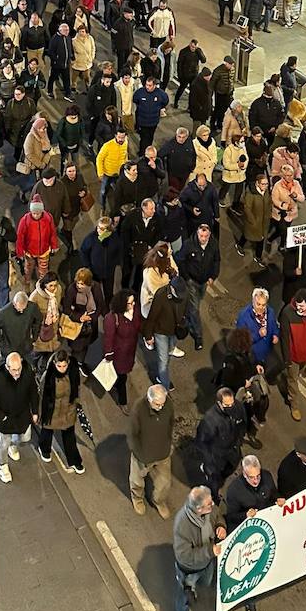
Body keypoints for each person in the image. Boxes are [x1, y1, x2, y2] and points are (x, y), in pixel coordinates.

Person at [173, 485, 227, 611]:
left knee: (206, 582)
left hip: (206, 562)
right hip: (189, 569)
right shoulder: (182, 525)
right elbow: (184, 556)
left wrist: (221, 526)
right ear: (198, 509)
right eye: (209, 504)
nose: (213, 505)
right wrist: (210, 551)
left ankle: (196, 590)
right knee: (184, 595)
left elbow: (218, 516)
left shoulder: (209, 509)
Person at [0, 351, 39, 483]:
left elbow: (33, 391)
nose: (17, 373)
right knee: (3, 443)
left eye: (19, 369)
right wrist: (1, 416)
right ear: (7, 367)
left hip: (22, 415)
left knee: (25, 438)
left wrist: (35, 411)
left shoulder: (27, 373)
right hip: (6, 419)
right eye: (13, 370)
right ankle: (2, 465)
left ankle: (13, 445)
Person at [128, 383, 175, 518]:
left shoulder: (168, 404)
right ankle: (137, 498)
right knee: (137, 480)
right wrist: (139, 453)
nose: (161, 407)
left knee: (164, 482)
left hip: (163, 452)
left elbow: (171, 423)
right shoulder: (138, 410)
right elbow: (132, 434)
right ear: (149, 399)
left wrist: (168, 443)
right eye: (157, 404)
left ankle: (159, 501)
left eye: (162, 404)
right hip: (144, 455)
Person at [36, 348, 85, 473]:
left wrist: (76, 404)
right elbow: (42, 397)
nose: (62, 369)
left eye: (64, 366)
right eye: (59, 366)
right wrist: (40, 414)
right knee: (47, 432)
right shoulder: (48, 377)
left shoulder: (73, 373)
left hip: (68, 410)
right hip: (51, 411)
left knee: (69, 437)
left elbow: (77, 390)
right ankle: (44, 449)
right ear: (54, 364)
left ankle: (74, 461)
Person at [195, 387, 245, 503]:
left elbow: (242, 424)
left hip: (232, 451)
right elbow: (201, 443)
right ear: (219, 403)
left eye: (232, 404)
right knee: (214, 480)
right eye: (227, 405)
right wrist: (209, 461)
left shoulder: (237, 407)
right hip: (216, 458)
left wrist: (239, 441)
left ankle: (219, 481)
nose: (231, 407)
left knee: (228, 470)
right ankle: (213, 495)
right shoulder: (210, 420)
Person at [278, 290, 306, 422]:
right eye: (297, 306)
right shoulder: (287, 313)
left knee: (300, 371)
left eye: (302, 306)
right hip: (294, 355)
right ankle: (294, 405)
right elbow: (285, 338)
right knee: (293, 380)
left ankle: (302, 370)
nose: (299, 309)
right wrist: (287, 359)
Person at [179, 221, 220, 353]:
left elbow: (216, 260)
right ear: (197, 233)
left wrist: (213, 276)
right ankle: (198, 335)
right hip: (192, 281)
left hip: (204, 282)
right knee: (195, 309)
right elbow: (181, 260)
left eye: (205, 236)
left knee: (196, 302)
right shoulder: (189, 244)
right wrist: (187, 278)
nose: (203, 239)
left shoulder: (213, 244)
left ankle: (185, 314)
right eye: (201, 236)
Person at [103, 289, 142, 410]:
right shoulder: (112, 318)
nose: (133, 305)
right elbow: (108, 338)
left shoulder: (135, 311)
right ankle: (122, 401)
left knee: (121, 375)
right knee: (122, 377)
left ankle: (115, 384)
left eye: (133, 302)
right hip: (118, 354)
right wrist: (108, 354)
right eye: (130, 303)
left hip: (130, 351)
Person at [223, 454, 283, 534]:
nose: (256, 481)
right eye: (251, 477)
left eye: (258, 476)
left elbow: (274, 494)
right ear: (244, 474)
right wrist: (246, 515)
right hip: (250, 526)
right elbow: (231, 517)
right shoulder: (234, 490)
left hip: (268, 517)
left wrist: (278, 499)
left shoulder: (266, 476)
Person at [235, 287, 281, 380]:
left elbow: (275, 325)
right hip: (252, 357)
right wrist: (258, 335)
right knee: (250, 377)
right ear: (253, 301)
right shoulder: (244, 316)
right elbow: (242, 341)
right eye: (258, 304)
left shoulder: (270, 312)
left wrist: (275, 334)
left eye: (263, 305)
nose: (261, 307)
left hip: (266, 352)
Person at [15, 198, 59, 284]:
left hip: (44, 250)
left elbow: (52, 232)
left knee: (43, 270)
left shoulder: (48, 218)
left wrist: (54, 245)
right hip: (29, 251)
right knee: (28, 267)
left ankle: (41, 283)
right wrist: (20, 252)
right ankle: (27, 280)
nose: (36, 215)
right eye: (34, 213)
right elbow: (20, 237)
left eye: (38, 213)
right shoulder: (25, 220)